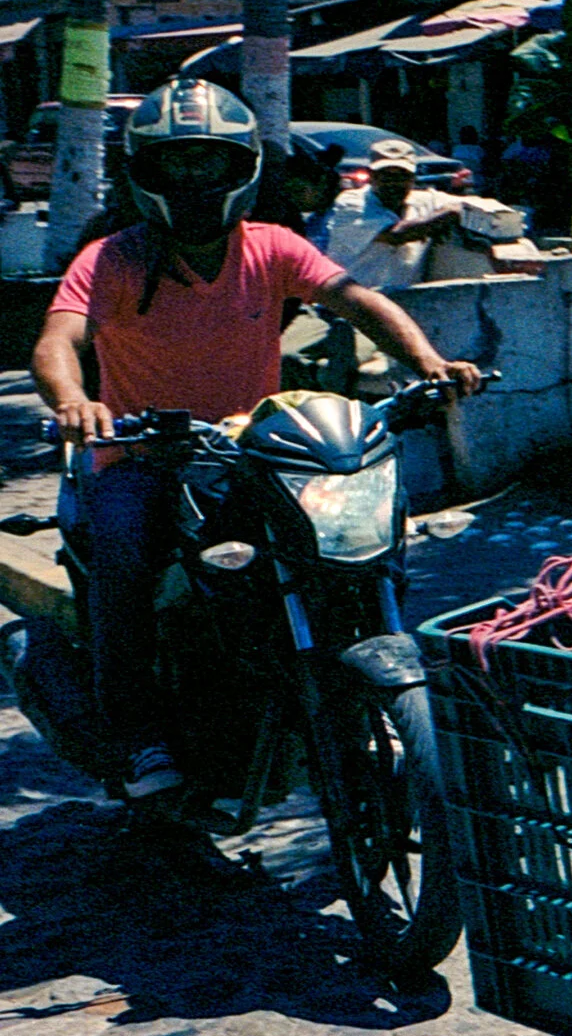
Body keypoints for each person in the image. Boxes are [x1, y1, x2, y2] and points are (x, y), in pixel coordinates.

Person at [31, 79, 482, 802]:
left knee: (353, 549)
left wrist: (428, 362)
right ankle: (140, 736)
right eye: (177, 162)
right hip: (142, 457)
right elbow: (59, 339)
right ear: (144, 171)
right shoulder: (113, 258)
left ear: (241, 167)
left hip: (253, 455)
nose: (195, 179)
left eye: (209, 161)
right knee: (124, 566)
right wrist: (74, 401)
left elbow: (357, 300)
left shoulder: (273, 247)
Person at [321, 137, 464, 292]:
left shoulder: (424, 200)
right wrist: (447, 215)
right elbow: (396, 235)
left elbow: (474, 204)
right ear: (371, 176)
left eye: (402, 176)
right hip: (350, 298)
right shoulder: (351, 202)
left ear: (413, 178)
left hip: (404, 298)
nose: (393, 183)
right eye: (386, 175)